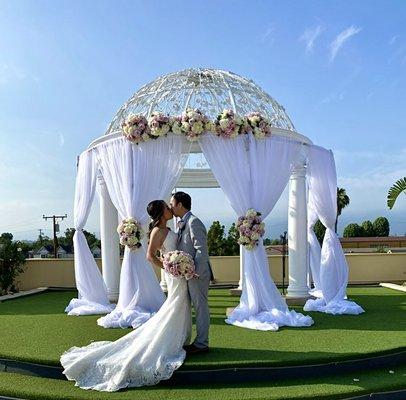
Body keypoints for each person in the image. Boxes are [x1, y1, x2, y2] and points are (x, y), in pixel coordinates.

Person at [60, 200, 192, 392]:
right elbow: (150, 256)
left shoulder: (168, 229)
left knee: (180, 305)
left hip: (178, 274)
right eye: (166, 207)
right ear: (161, 212)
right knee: (175, 304)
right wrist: (170, 267)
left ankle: (181, 337)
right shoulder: (157, 231)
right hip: (174, 274)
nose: (169, 208)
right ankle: (173, 340)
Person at [170, 191, 211, 354]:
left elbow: (201, 250)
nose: (171, 208)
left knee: (200, 307)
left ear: (180, 205)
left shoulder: (194, 222)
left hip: (196, 273)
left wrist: (194, 272)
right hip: (188, 273)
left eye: (172, 204)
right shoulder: (182, 222)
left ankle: (202, 344)